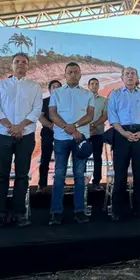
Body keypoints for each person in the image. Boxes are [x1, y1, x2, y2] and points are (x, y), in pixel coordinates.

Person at [0, 53, 42, 229]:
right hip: (3, 134)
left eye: (24, 62)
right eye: (17, 62)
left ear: (28, 66)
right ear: (11, 65)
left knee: (22, 175)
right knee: (1, 175)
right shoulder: (1, 85)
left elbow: (36, 109)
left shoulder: (34, 87)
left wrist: (20, 127)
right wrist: (11, 126)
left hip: (26, 135)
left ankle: (19, 213)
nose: (20, 65)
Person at [48, 63, 95, 225]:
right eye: (70, 72)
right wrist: (66, 127)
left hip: (80, 138)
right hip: (61, 139)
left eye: (76, 72)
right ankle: (56, 212)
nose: (73, 74)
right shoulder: (56, 93)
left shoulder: (88, 94)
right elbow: (52, 114)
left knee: (80, 176)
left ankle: (79, 211)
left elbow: (90, 116)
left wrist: (73, 127)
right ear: (65, 75)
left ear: (80, 74)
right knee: (59, 175)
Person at [107, 67, 140, 220]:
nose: (130, 76)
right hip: (121, 135)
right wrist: (124, 133)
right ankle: (117, 211)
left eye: (133, 74)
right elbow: (113, 117)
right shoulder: (115, 94)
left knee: (139, 174)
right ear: (122, 77)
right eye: (127, 74)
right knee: (120, 174)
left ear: (137, 77)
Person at [37, 80, 62, 193]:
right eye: (53, 86)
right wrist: (50, 125)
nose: (56, 88)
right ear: (49, 89)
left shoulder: (65, 102)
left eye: (58, 87)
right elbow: (40, 117)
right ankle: (42, 185)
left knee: (61, 160)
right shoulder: (44, 101)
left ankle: (60, 183)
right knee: (45, 159)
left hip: (62, 133)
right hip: (48, 133)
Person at [88, 77, 108, 192]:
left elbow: (105, 116)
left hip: (98, 133)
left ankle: (96, 182)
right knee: (82, 157)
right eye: (92, 84)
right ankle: (81, 181)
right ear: (88, 86)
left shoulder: (104, 100)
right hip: (84, 133)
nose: (94, 85)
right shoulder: (83, 99)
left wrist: (94, 125)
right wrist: (87, 128)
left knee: (97, 158)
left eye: (96, 83)